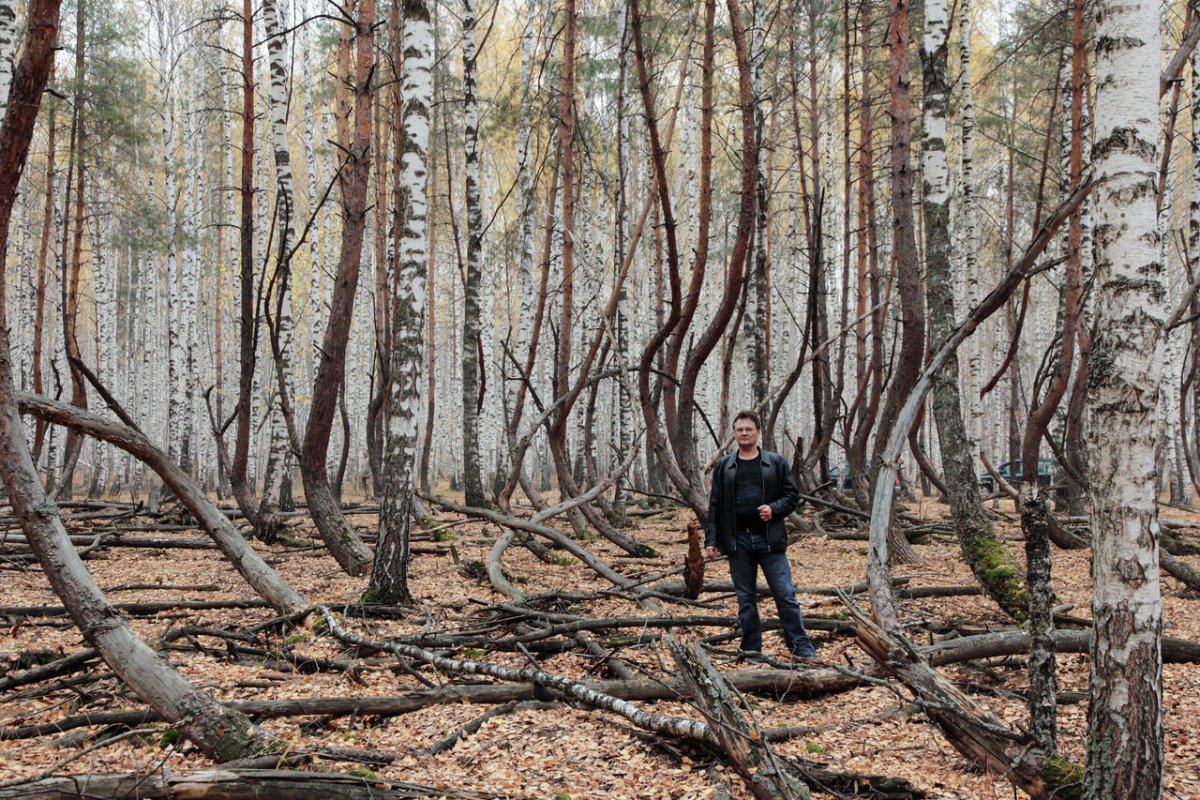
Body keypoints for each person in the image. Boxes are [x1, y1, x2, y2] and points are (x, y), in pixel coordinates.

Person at [705, 410, 817, 660]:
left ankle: (801, 647)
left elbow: (792, 496)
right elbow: (715, 505)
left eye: (748, 429)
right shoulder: (724, 465)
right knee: (746, 599)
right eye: (739, 430)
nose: (744, 433)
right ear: (734, 434)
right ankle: (751, 648)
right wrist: (711, 540)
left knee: (785, 594)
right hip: (737, 542)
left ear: (758, 432)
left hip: (770, 540)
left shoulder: (775, 463)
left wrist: (773, 509)